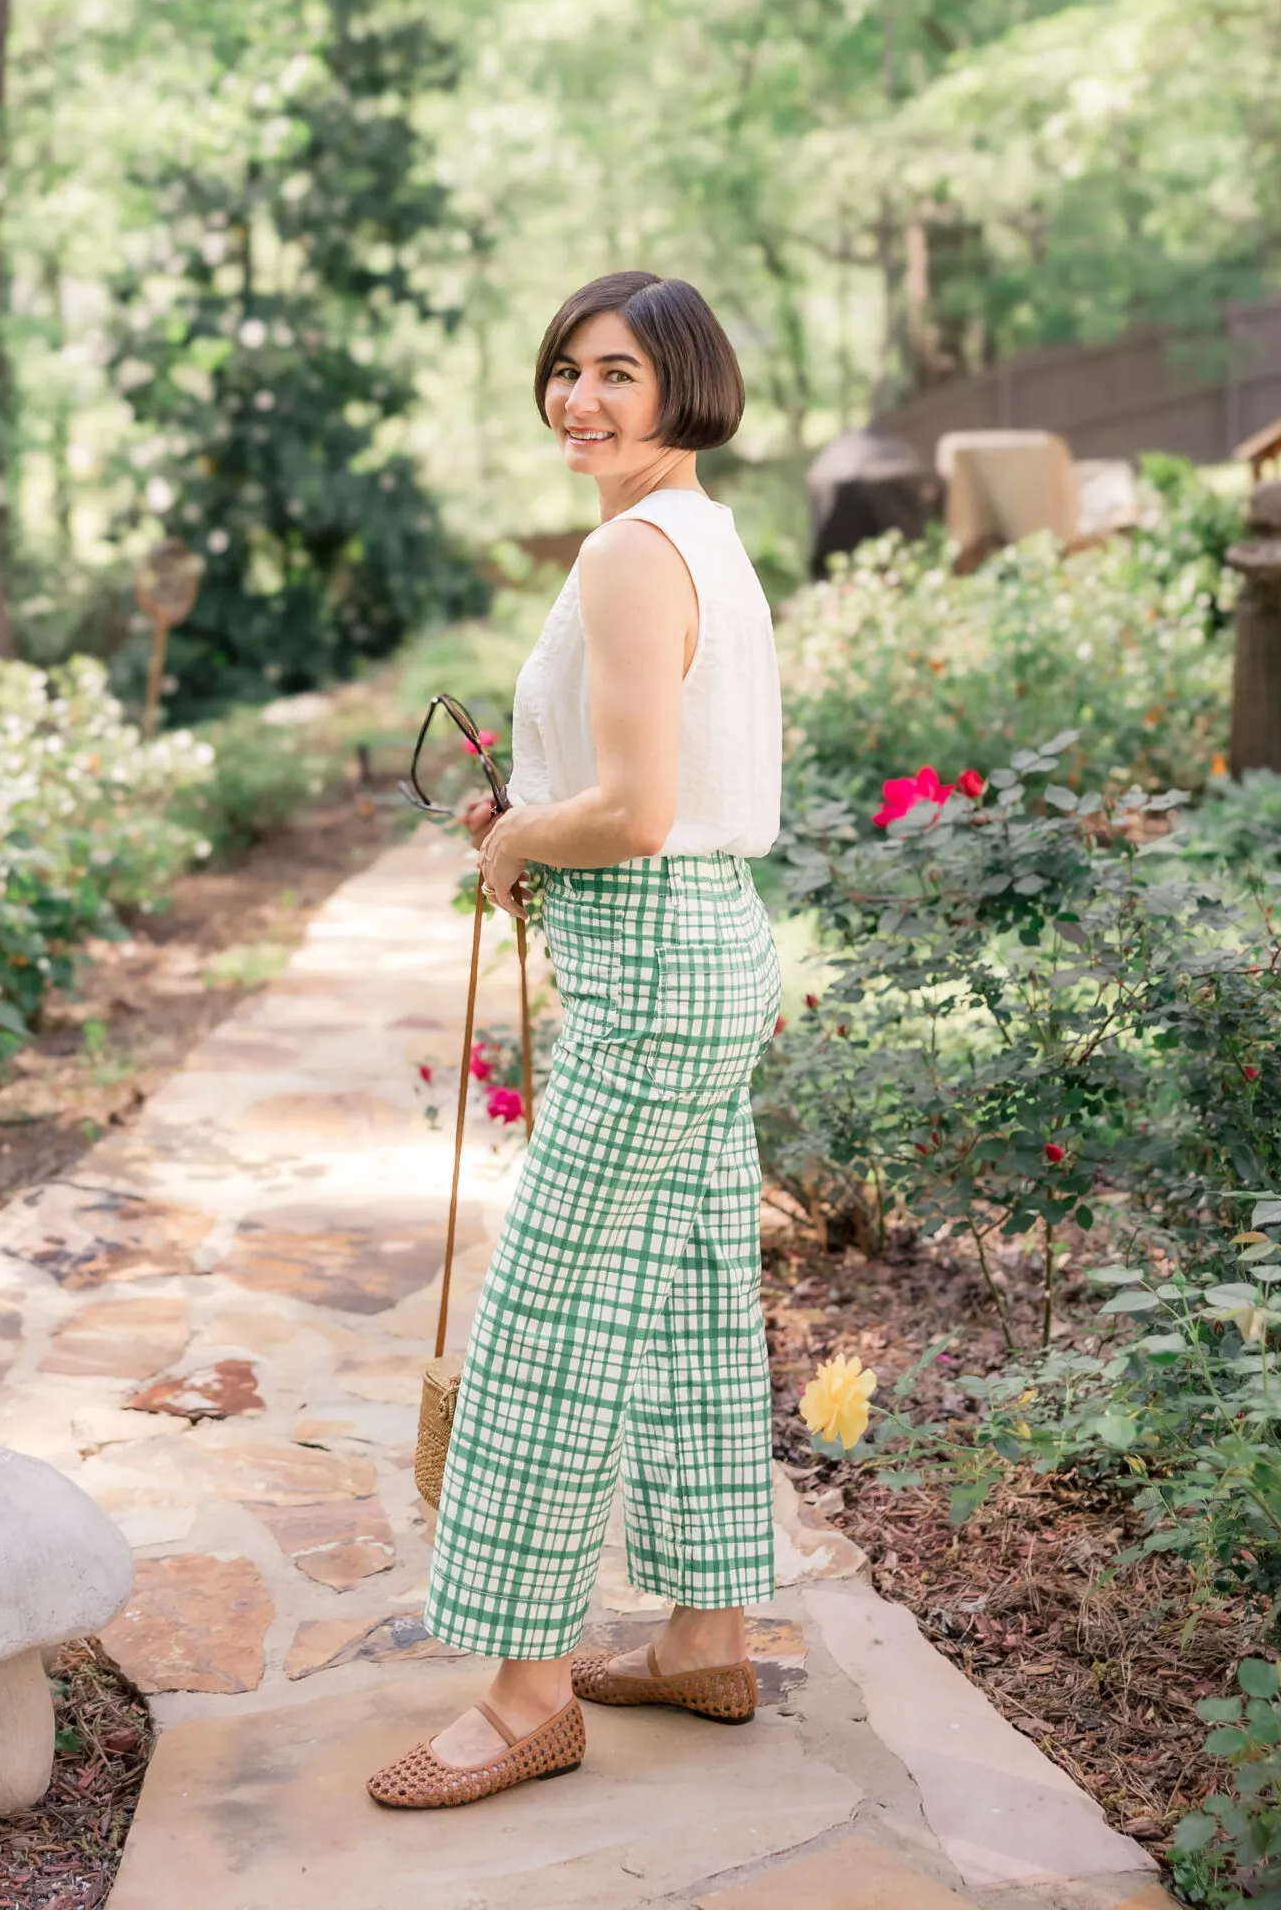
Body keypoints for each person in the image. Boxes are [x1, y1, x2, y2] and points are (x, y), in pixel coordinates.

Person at [367, 268, 784, 1811]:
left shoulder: (627, 552)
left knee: (544, 1328)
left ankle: (524, 1691)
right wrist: (531, 817)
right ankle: (702, 1635)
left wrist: (514, 840)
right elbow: (632, 791)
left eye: (616, 373)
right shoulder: (698, 534)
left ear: (683, 386)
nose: (577, 400)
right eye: (563, 370)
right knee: (677, 1298)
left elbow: (633, 813)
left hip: (653, 955)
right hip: (695, 943)